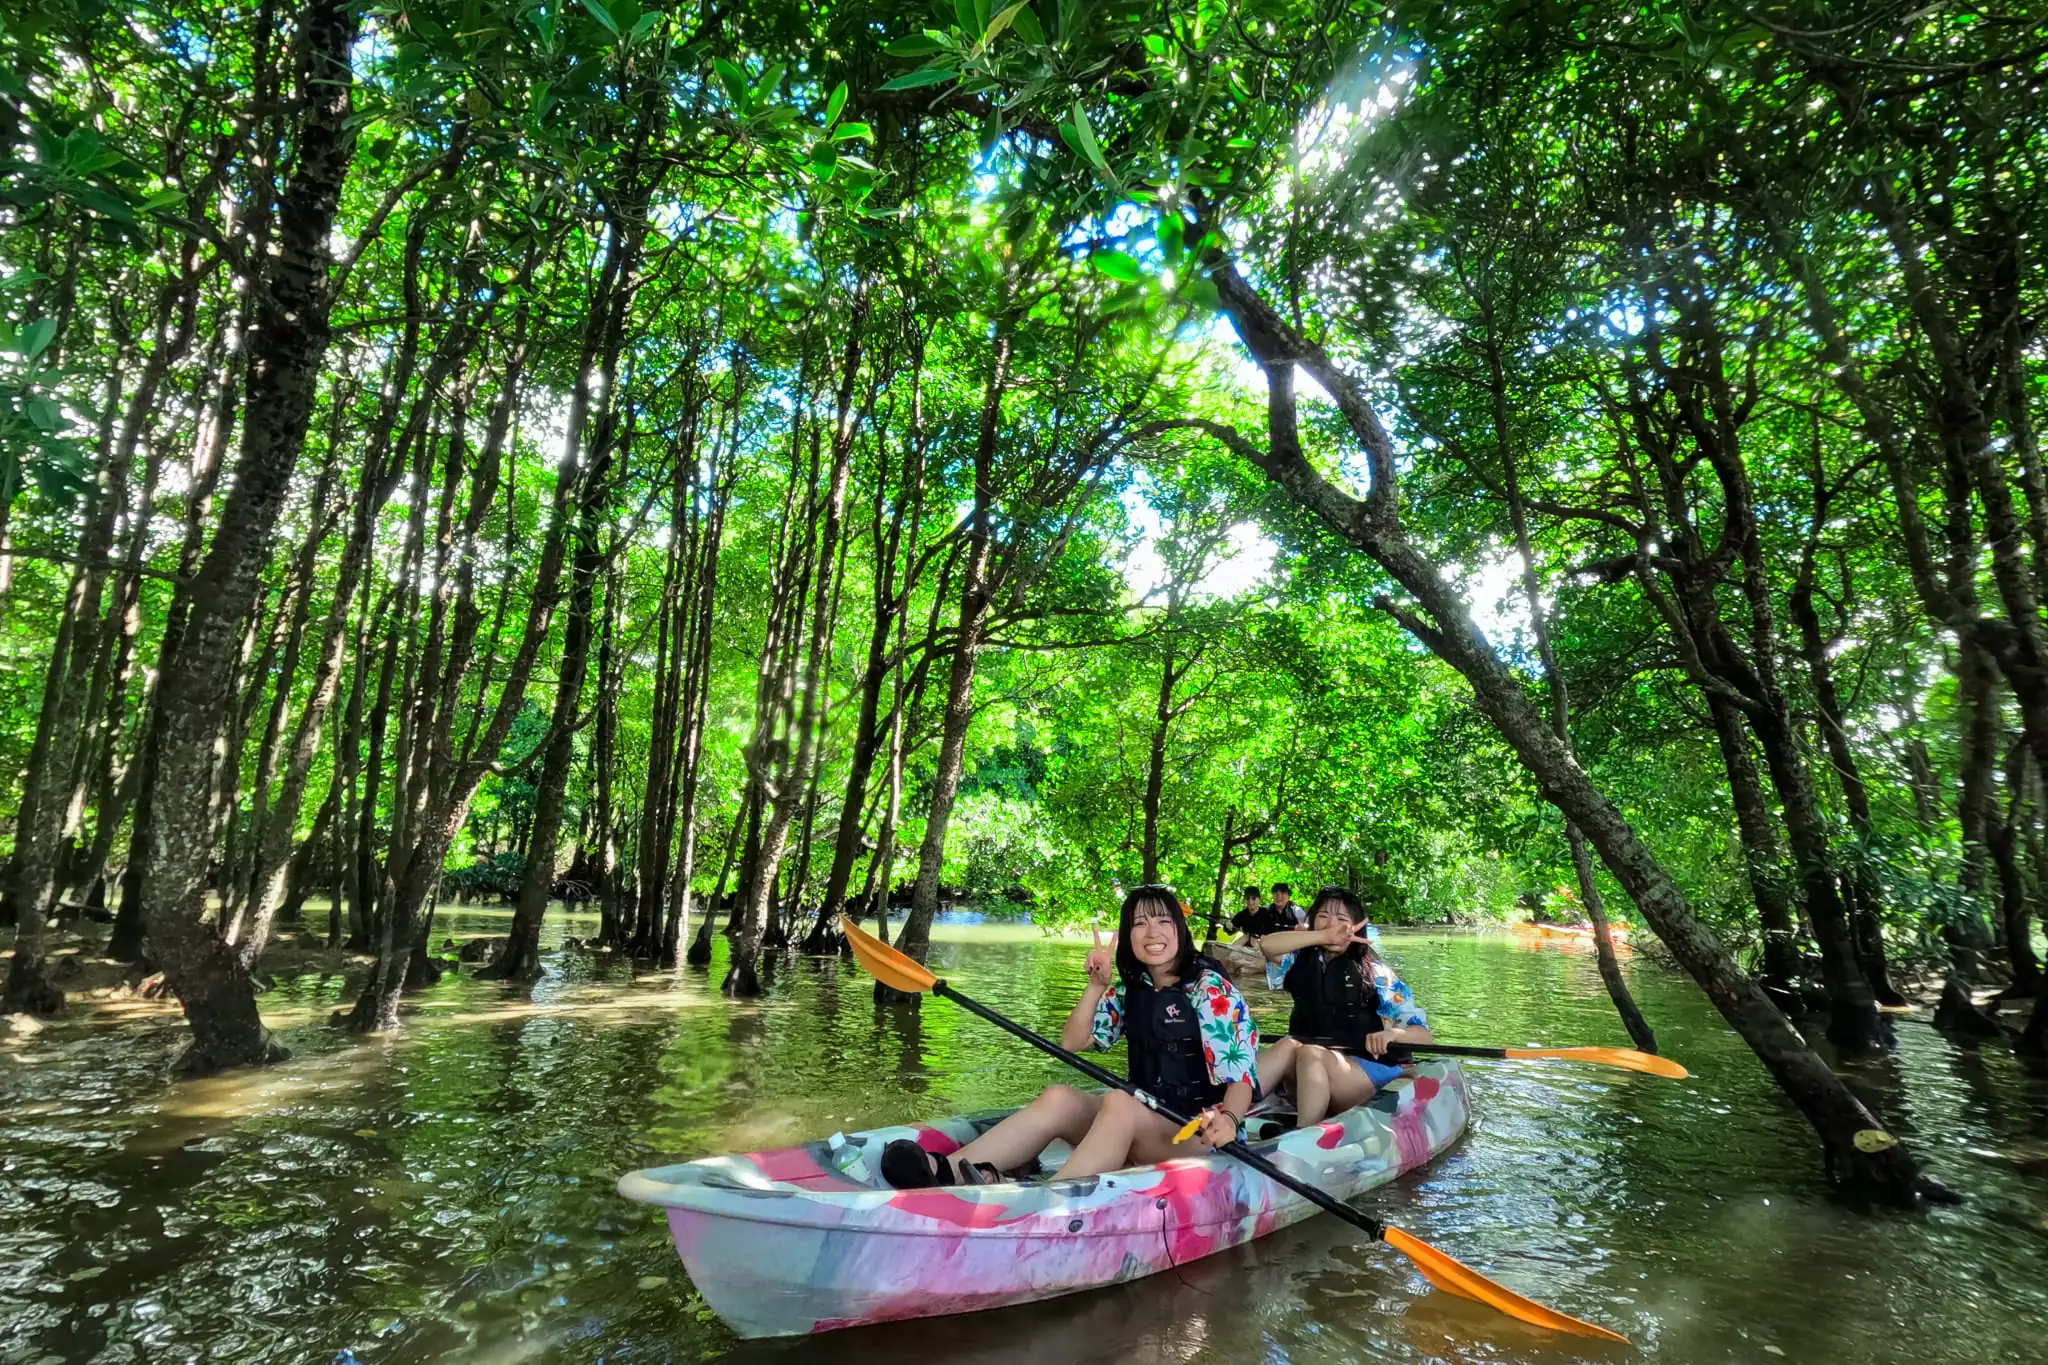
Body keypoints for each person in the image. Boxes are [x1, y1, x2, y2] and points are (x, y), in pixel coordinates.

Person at [879, 885, 1260, 1187]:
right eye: (1140, 924)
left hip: (1198, 1136)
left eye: (1163, 922)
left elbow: (1241, 1076)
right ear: (1128, 935)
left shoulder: (1211, 990)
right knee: (1059, 1098)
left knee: (1120, 1102)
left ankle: (1052, 1199)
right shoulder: (1132, 989)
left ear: (1179, 928)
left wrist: (1228, 1118)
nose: (1152, 933)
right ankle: (947, 1170)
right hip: (1146, 1125)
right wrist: (1095, 986)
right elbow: (1073, 1042)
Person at [1254, 886, 1432, 1128]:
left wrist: (1392, 1033)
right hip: (1309, 1072)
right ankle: (1226, 1114)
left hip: (1361, 1073)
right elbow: (1267, 945)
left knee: (1309, 1052)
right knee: (1288, 1045)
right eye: (1324, 917)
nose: (1332, 925)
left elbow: (1424, 1035)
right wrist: (1323, 937)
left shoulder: (1377, 973)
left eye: (1342, 920)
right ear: (1313, 920)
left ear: (1356, 927)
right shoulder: (1297, 959)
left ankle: (1304, 1135)